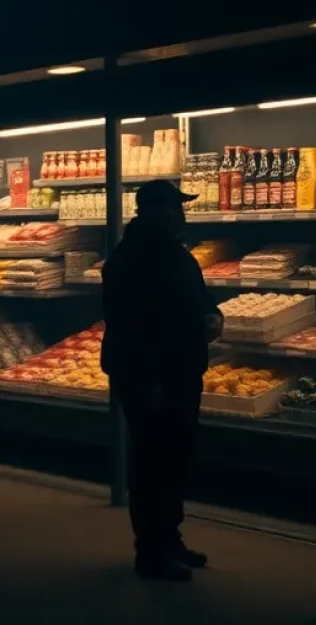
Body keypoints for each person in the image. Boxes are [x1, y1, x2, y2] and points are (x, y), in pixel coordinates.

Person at [101, 179, 223, 582]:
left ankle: (169, 538)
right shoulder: (129, 259)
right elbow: (130, 325)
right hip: (150, 376)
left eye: (181, 209)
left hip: (182, 370)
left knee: (175, 457)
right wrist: (149, 380)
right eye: (174, 209)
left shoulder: (173, 253)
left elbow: (195, 296)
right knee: (152, 461)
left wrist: (212, 316)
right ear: (152, 212)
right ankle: (150, 552)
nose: (181, 215)